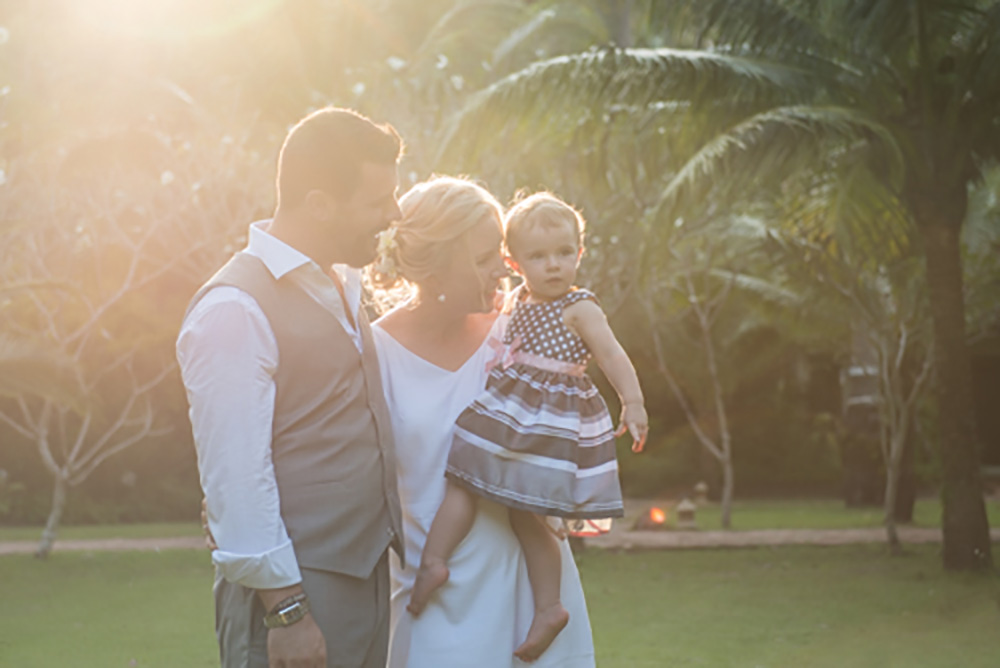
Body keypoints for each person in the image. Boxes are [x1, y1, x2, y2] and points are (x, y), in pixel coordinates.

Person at [177, 107, 405, 668]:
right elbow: (235, 474)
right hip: (294, 599)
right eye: (378, 203)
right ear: (320, 204)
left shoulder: (345, 283)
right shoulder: (234, 308)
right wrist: (286, 612)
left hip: (365, 583)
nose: (393, 214)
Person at [404, 191, 648, 661]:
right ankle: (434, 561)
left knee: (528, 514)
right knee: (463, 478)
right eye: (538, 257)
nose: (553, 266)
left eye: (563, 253)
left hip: (550, 424)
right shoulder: (514, 301)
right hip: (510, 417)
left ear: (579, 253)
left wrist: (632, 402)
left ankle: (549, 606)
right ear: (514, 264)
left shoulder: (579, 307)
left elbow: (612, 354)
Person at [371, 177, 597, 667]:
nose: (503, 266)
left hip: (526, 579)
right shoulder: (372, 353)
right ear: (432, 269)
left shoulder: (519, 329)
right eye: (482, 257)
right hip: (431, 590)